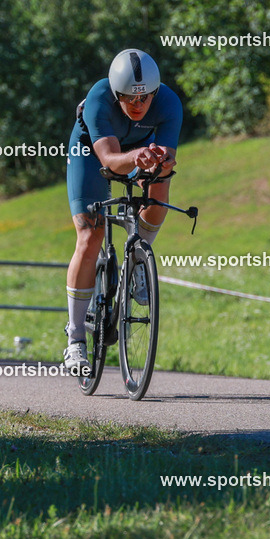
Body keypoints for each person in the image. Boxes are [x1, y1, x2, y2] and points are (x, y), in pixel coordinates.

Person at [63, 49, 182, 375]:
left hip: (141, 148)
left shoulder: (169, 103)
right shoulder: (100, 96)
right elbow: (111, 161)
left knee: (160, 184)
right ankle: (74, 339)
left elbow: (168, 159)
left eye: (145, 99)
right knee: (91, 233)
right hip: (93, 150)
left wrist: (161, 161)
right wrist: (138, 156)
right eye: (129, 98)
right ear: (116, 93)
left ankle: (139, 258)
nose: (138, 105)